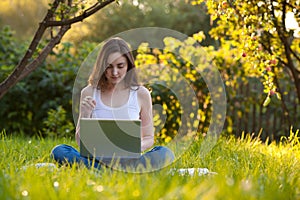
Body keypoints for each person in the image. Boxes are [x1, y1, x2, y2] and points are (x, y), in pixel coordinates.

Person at [51, 37, 175, 172]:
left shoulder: (141, 93)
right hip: (96, 159)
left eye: (120, 66)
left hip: (130, 159)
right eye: (109, 67)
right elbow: (81, 142)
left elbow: (149, 137)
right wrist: (85, 114)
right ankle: (117, 171)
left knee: (165, 153)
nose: (115, 72)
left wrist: (136, 147)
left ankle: (101, 171)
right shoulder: (89, 92)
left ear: (129, 65)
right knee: (59, 151)